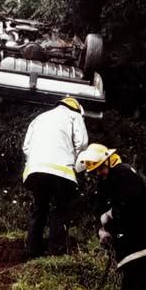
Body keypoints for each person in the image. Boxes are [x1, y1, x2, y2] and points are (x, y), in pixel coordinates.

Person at [79, 143, 146, 290]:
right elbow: (100, 209)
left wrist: (109, 216)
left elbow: (130, 204)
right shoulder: (108, 181)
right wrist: (102, 230)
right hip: (130, 243)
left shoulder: (123, 174)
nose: (98, 173)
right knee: (134, 288)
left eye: (100, 168)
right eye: (95, 171)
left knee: (135, 289)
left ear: (109, 161)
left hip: (140, 241)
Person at [22, 97, 89, 257]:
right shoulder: (75, 116)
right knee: (61, 209)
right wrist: (77, 166)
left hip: (35, 170)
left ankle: (32, 251)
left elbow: (26, 147)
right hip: (61, 170)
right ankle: (56, 253)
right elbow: (82, 143)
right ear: (77, 109)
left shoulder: (39, 118)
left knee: (39, 209)